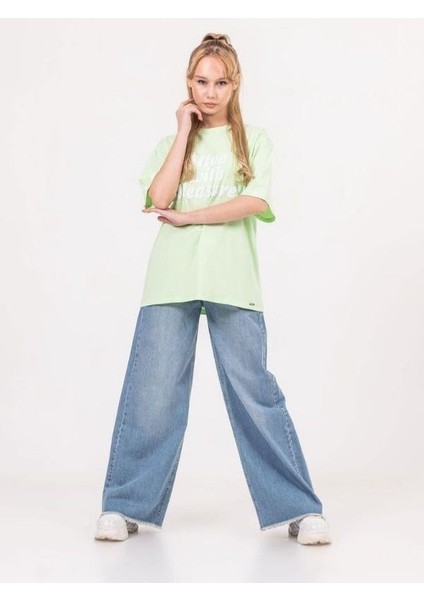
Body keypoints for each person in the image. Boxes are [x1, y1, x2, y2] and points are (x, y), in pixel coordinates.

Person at [95, 32, 332, 546]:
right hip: (170, 279)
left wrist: (192, 216)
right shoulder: (171, 144)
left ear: (235, 84)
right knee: (152, 392)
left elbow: (254, 202)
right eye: (201, 82)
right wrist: (183, 130)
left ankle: (298, 508)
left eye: (220, 83)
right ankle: (125, 505)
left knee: (255, 392)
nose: (209, 92)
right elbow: (158, 199)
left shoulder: (255, 141)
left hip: (232, 280)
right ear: (188, 83)